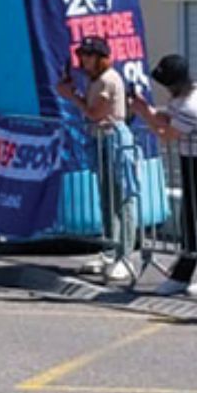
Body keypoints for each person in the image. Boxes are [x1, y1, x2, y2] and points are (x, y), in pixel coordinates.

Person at [134, 53, 197, 297]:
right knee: (189, 218)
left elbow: (167, 135)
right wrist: (147, 109)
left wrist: (144, 113)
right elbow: (167, 120)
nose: (164, 88)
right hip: (192, 159)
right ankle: (182, 274)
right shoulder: (181, 96)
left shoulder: (193, 103)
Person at [56, 34, 137, 286]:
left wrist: (72, 96)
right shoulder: (94, 80)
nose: (85, 59)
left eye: (89, 55)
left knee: (122, 198)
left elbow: (94, 113)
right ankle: (110, 249)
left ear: (101, 57)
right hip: (100, 139)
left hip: (114, 139)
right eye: (82, 54)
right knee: (106, 198)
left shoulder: (108, 79)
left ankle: (125, 257)